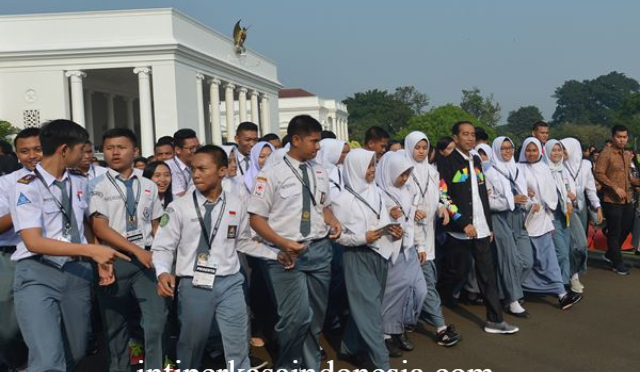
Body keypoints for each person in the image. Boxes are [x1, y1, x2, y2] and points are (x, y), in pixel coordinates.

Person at [10, 119, 129, 372]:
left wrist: (101, 261)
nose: (85, 154)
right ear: (64, 150)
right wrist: (91, 250)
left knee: (75, 350)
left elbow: (84, 223)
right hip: (38, 274)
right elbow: (33, 241)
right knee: (48, 359)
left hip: (77, 274)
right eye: (81, 149)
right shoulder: (26, 187)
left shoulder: (79, 182)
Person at [152, 145, 274, 369]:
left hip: (230, 282)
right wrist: (162, 272)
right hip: (193, 284)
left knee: (237, 341)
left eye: (202, 169)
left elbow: (243, 241)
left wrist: (275, 254)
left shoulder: (237, 204)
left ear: (222, 171)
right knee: (192, 343)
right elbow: (162, 247)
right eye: (192, 169)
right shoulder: (178, 207)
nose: (196, 174)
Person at [248, 115, 342, 370]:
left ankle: (311, 366)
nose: (318, 147)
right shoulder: (271, 174)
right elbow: (256, 219)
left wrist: (333, 220)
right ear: (296, 140)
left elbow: (324, 207)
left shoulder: (320, 172)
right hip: (285, 255)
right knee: (295, 318)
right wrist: (282, 242)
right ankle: (288, 366)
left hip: (319, 250)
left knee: (314, 320)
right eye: (313, 141)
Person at [88, 128, 169, 371]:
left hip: (146, 260)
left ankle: (154, 366)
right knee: (115, 326)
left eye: (121, 147)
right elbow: (99, 228)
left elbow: (157, 224)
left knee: (157, 320)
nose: (114, 152)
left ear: (135, 151)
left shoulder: (148, 185)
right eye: (109, 147)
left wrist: (164, 256)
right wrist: (134, 251)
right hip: (113, 259)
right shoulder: (96, 185)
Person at [436, 121, 518, 334]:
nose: (470, 138)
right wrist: (463, 222)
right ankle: (437, 303)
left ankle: (495, 320)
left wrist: (488, 226)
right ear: (455, 137)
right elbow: (444, 196)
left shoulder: (476, 160)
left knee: (486, 274)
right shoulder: (447, 162)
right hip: (459, 230)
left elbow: (481, 194)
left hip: (480, 227)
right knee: (456, 271)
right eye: (465, 134)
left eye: (472, 134)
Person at [331, 148, 394, 369]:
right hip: (357, 257)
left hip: (380, 254)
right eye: (368, 166)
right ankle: (381, 363)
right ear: (356, 168)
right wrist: (361, 238)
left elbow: (383, 221)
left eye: (374, 165)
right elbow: (338, 237)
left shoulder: (375, 192)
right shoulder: (341, 200)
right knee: (370, 312)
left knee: (368, 307)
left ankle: (349, 346)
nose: (372, 170)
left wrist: (393, 231)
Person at [403, 131, 461, 347]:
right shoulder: (403, 172)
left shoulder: (432, 171)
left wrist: (441, 208)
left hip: (428, 234)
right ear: (409, 147)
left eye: (424, 147)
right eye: (417, 147)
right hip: (410, 236)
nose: (420, 151)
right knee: (424, 283)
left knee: (423, 281)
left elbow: (437, 196)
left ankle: (409, 320)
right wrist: (412, 210)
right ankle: (440, 327)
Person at [518, 138, 582, 309]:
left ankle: (561, 294)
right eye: (528, 150)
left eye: (534, 150)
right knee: (529, 260)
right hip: (526, 221)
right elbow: (516, 192)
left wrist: (551, 220)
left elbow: (551, 197)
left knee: (550, 259)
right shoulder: (518, 169)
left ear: (540, 151)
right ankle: (519, 290)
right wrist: (528, 200)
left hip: (544, 221)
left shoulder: (544, 169)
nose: (531, 153)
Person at [376, 151, 427, 356]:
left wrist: (420, 245)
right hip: (391, 251)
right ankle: (388, 334)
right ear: (389, 172)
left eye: (407, 174)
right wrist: (388, 214)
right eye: (401, 174)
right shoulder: (378, 192)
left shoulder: (408, 191)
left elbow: (412, 223)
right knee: (392, 294)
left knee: (419, 290)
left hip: (409, 249)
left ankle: (399, 326)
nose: (404, 179)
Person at [0, 127, 42, 371]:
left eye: (37, 149)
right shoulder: (7, 183)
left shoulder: (64, 180)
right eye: (24, 151)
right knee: (8, 324)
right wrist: (22, 207)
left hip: (52, 256)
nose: (32, 155)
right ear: (17, 155)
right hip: (11, 256)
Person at [484, 137, 533, 318]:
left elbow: (524, 196)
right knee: (509, 259)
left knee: (527, 260)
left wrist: (528, 204)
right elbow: (488, 202)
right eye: (503, 148)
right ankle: (513, 300)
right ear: (496, 150)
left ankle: (503, 292)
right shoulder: (489, 172)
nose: (507, 151)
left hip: (517, 217)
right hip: (499, 218)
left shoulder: (516, 169)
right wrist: (510, 201)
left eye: (510, 148)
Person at [594, 125, 640, 275]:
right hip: (611, 199)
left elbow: (627, 176)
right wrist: (614, 187)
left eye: (625, 137)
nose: (622, 140)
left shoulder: (626, 155)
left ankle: (610, 254)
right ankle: (617, 263)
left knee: (627, 228)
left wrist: (635, 182)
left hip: (627, 199)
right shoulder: (605, 154)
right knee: (615, 231)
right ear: (613, 137)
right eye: (619, 137)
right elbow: (599, 173)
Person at [561, 138, 601, 293]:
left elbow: (590, 187)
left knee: (580, 244)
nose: (562, 153)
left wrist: (597, 206)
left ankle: (573, 273)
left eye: (564, 150)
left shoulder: (586, 165)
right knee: (574, 244)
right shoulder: (559, 165)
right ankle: (573, 277)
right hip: (566, 208)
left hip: (581, 207)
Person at [544, 139, 575, 287]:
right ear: (547, 151)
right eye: (554, 150)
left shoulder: (563, 169)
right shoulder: (544, 170)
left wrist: (569, 201)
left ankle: (564, 282)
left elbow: (569, 190)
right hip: (551, 216)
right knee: (561, 252)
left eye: (559, 150)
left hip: (565, 215)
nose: (557, 153)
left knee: (566, 251)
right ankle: (555, 282)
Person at [167, 129, 200, 198]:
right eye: (192, 148)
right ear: (178, 150)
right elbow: (179, 196)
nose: (196, 151)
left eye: (198, 147)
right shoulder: (168, 167)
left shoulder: (198, 165)